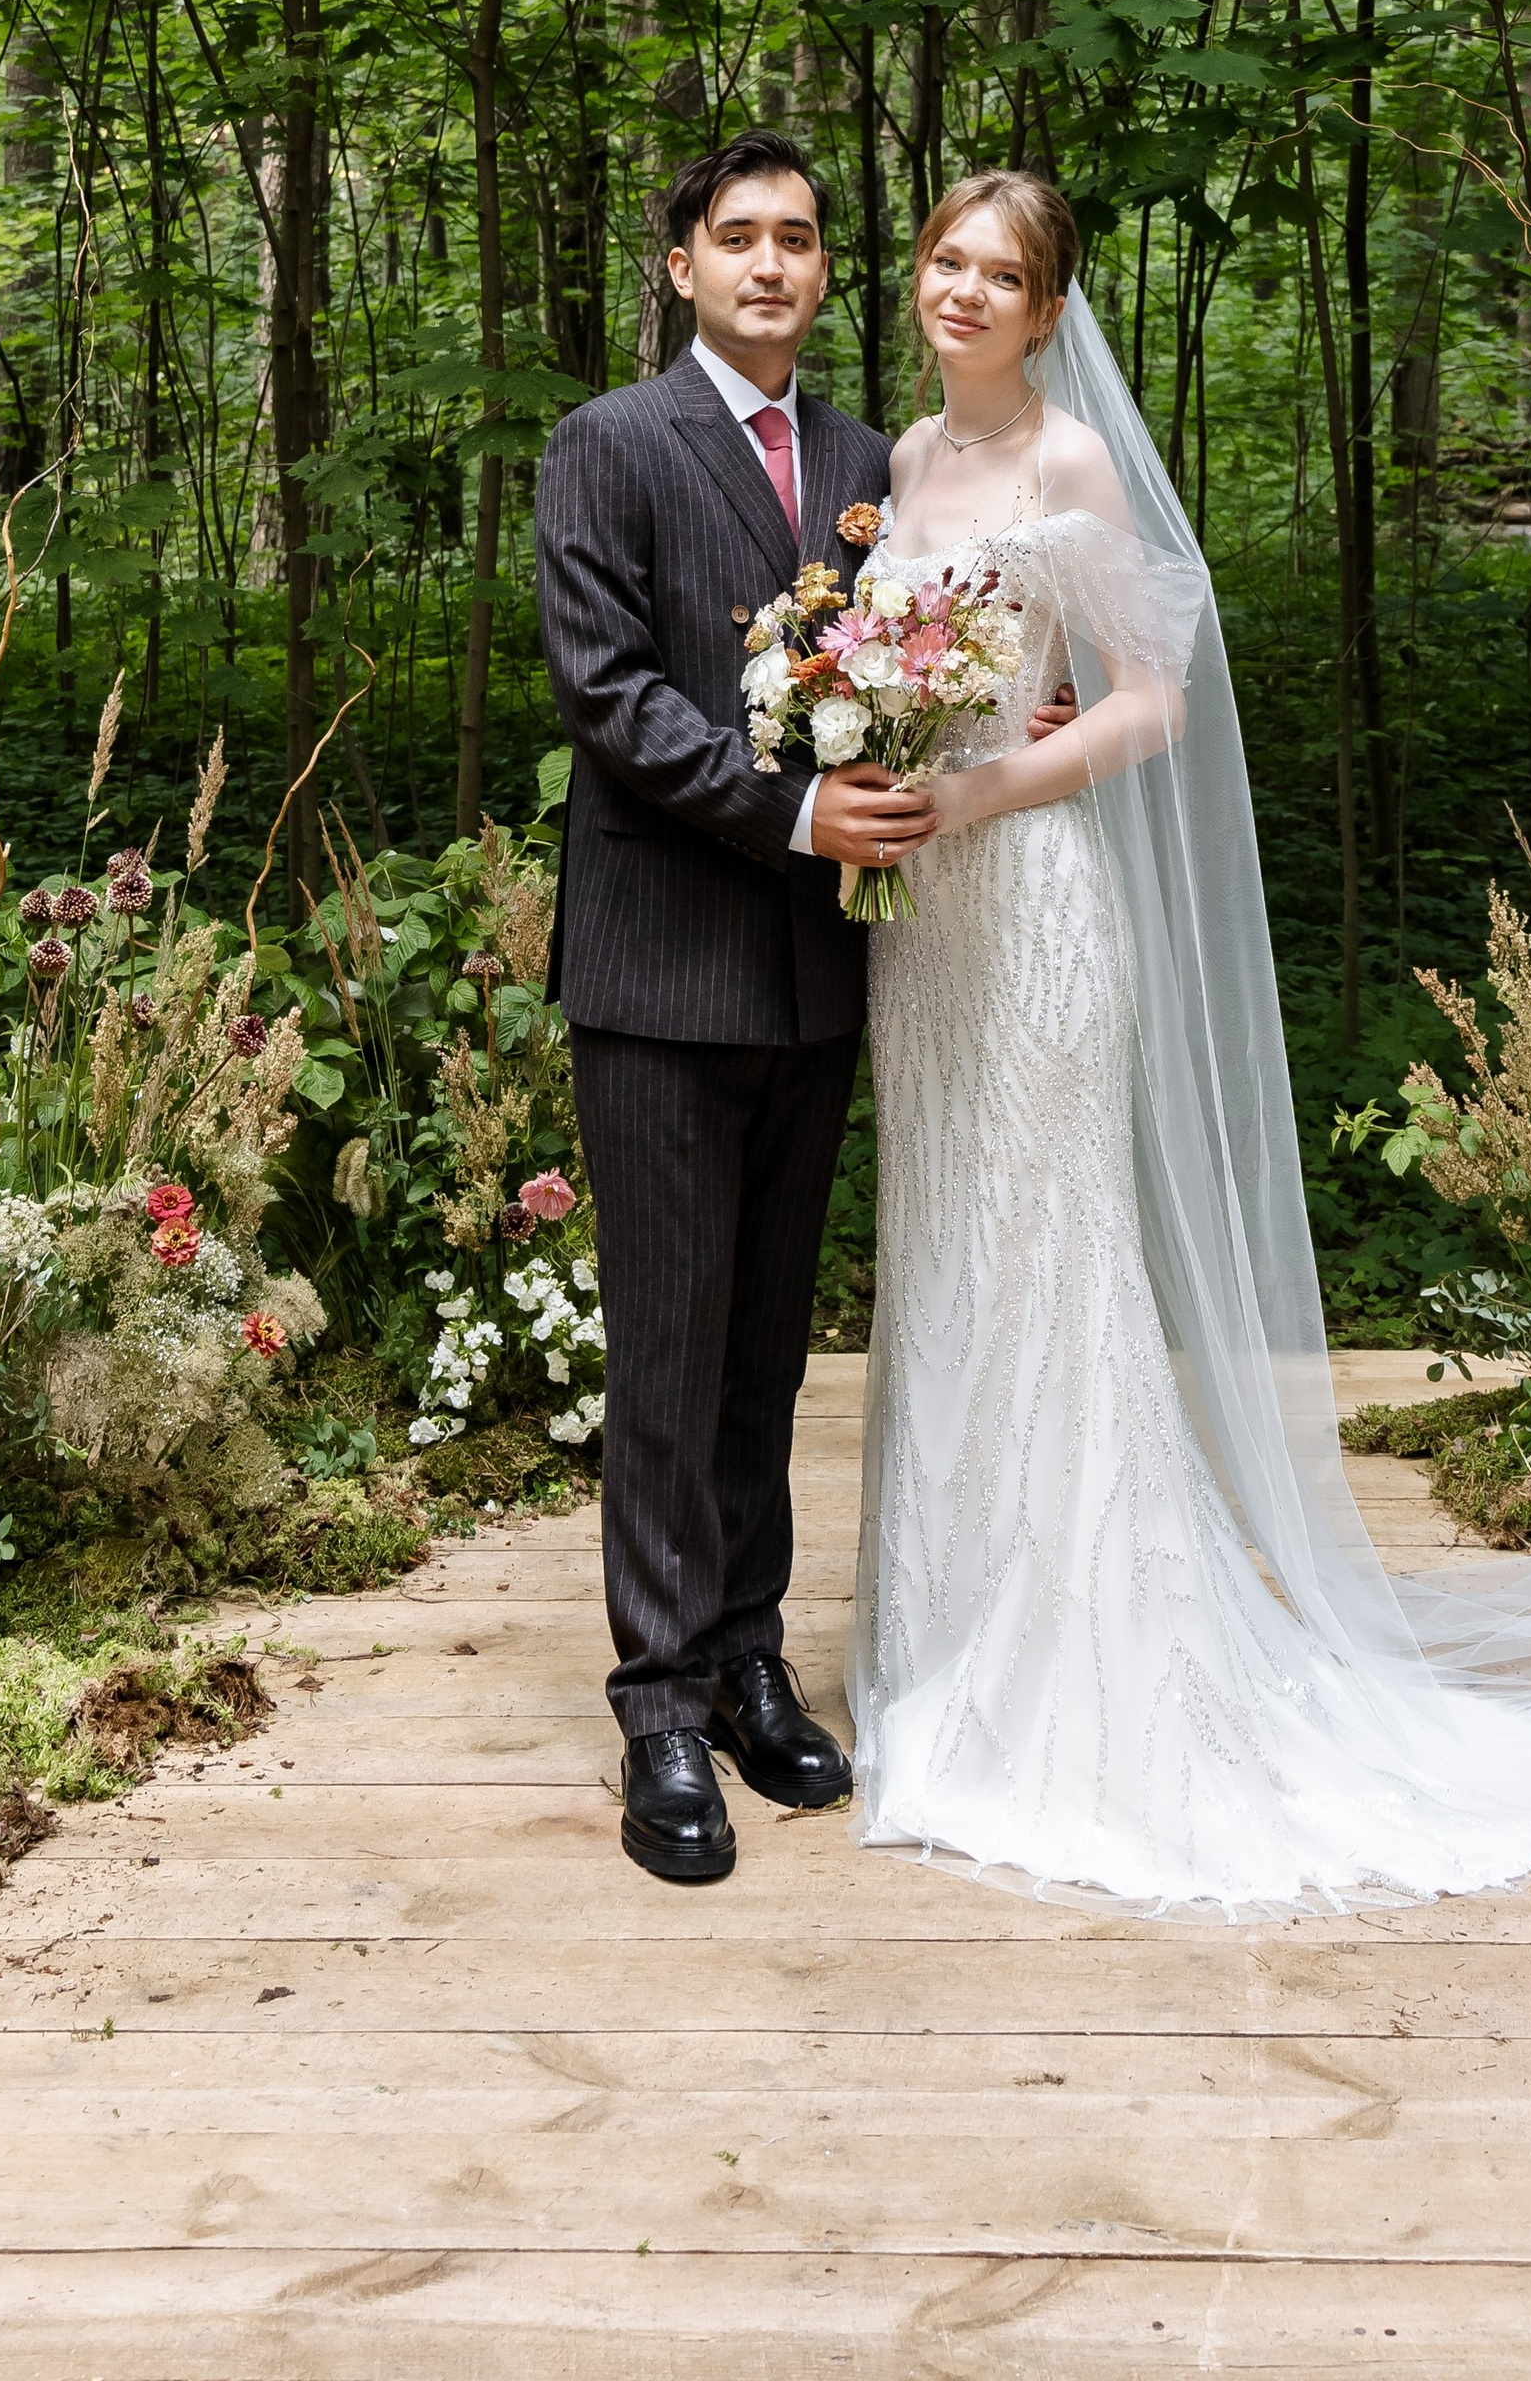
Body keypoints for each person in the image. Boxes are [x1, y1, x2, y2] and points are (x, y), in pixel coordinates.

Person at [850, 168, 1531, 1914]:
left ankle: (1091, 1666)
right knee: (947, 1254)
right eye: (945, 259)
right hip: (918, 931)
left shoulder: (1069, 463)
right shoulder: (899, 466)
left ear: (1046, 311)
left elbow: (1157, 696)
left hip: (1029, 908)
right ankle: (952, 1636)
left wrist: (985, 786)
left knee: (1055, 1258)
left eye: (999, 274)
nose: (961, 290)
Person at [533, 134, 1070, 1883]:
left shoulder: (868, 458)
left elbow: (946, 648)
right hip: (664, 968)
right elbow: (610, 694)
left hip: (822, 974)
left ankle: (756, 1656)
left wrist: (1007, 738)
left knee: (770, 1351)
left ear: (828, 273)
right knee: (672, 1355)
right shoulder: (606, 448)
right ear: (681, 262)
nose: (772, 264)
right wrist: (793, 812)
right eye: (738, 238)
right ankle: (662, 1709)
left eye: (801, 240)